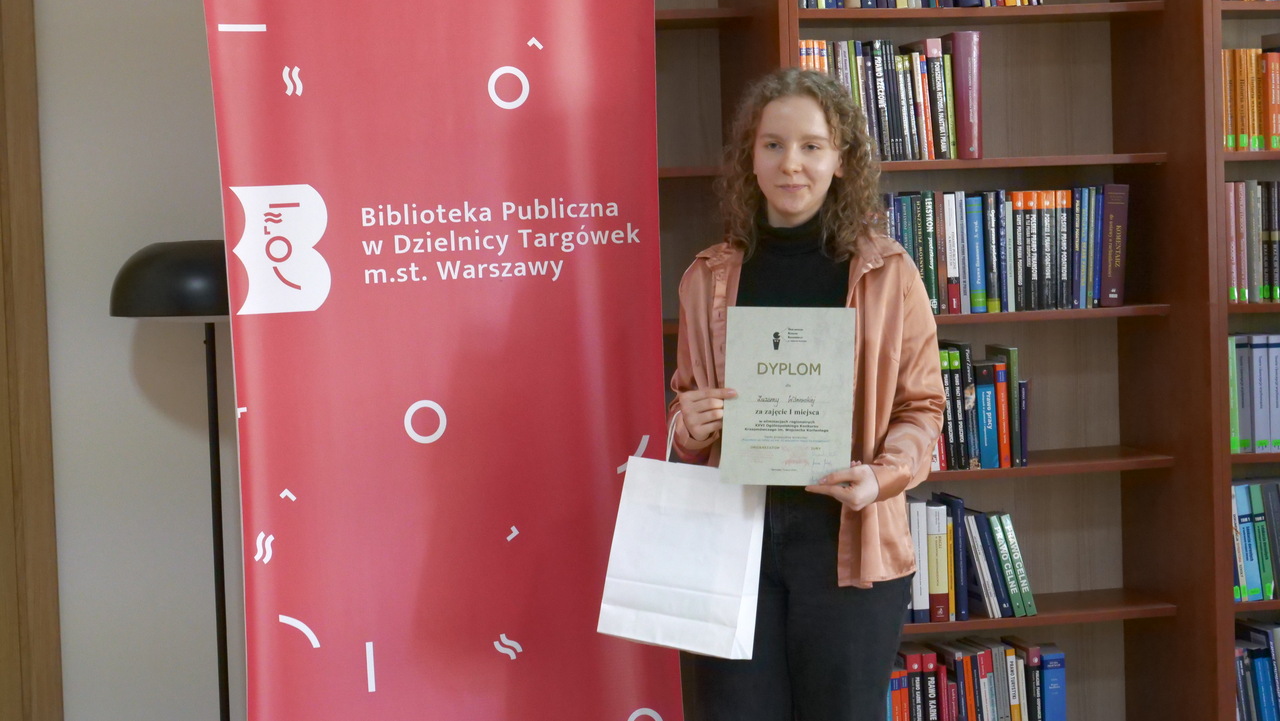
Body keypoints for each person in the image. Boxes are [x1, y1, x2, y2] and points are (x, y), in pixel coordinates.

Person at [669, 67, 946, 721]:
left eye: (811, 146)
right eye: (773, 145)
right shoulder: (708, 276)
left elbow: (922, 408)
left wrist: (880, 477)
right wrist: (689, 425)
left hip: (848, 540)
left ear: (840, 159)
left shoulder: (888, 274)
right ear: (751, 158)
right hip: (733, 540)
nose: (791, 163)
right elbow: (684, 404)